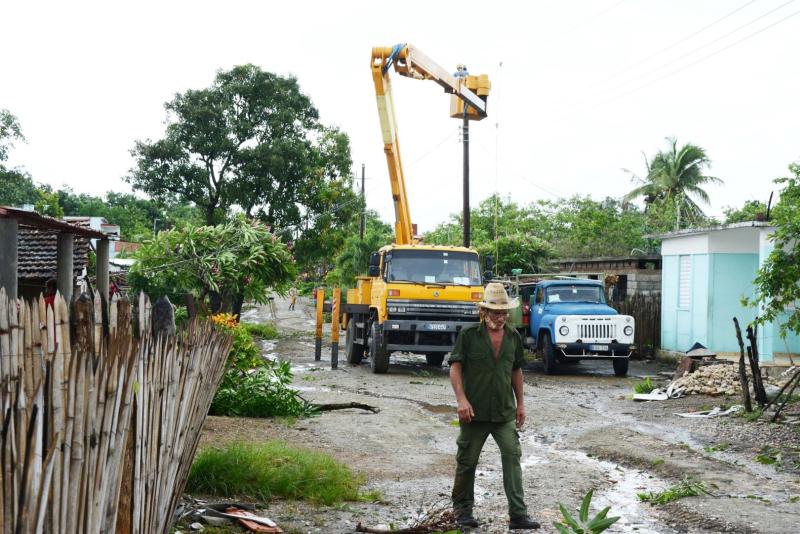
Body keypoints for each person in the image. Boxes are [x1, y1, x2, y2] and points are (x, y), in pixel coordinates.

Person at [448, 282, 540, 530]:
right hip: (473, 413)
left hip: (503, 413)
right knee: (467, 461)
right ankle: (462, 511)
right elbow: (455, 369)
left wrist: (521, 404)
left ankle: (518, 515)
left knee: (512, 457)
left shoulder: (513, 337)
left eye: (503, 313)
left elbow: (516, 371)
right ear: (484, 312)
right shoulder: (468, 336)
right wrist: (461, 400)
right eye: (495, 312)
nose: (500, 317)